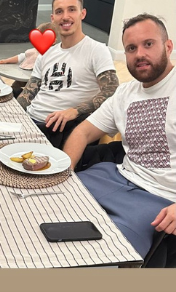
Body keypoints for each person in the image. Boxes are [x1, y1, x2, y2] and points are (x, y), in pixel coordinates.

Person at [63, 14, 176, 259]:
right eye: (131, 48)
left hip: (160, 197)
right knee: (49, 203)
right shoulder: (125, 93)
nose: (139, 54)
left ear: (168, 46)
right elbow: (83, 131)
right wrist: (65, 171)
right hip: (115, 176)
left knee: (107, 253)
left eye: (148, 44)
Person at [17, 0, 119, 147]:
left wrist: (75, 111)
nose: (65, 16)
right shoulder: (46, 54)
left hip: (61, 129)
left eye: (72, 10)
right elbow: (29, 91)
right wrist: (13, 114)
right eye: (59, 11)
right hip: (30, 121)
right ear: (53, 18)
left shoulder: (97, 50)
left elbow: (112, 89)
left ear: (82, 14)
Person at [0, 22, 58, 98]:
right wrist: (7, 60)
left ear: (53, 41)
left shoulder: (54, 53)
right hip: (25, 76)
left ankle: (26, 96)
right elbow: (21, 56)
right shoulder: (34, 51)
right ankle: (14, 92)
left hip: (39, 80)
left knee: (35, 90)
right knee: (16, 84)